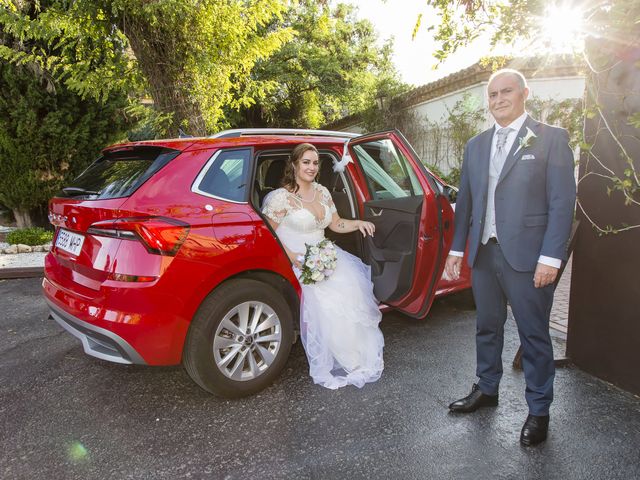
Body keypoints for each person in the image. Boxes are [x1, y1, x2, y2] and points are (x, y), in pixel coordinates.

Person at [444, 69, 576, 446]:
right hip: (485, 253)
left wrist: (551, 257)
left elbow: (562, 202)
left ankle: (538, 410)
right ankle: (487, 389)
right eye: (492, 94)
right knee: (487, 325)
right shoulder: (476, 145)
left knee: (534, 334)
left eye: (506, 92)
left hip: (529, 256)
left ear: (524, 94)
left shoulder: (551, 139)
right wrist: (457, 249)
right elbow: (466, 202)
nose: (498, 99)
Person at [262, 143, 384, 389]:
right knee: (324, 298)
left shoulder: (323, 192)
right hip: (297, 258)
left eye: (315, 163)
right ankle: (339, 355)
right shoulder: (280, 198)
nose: (311, 167)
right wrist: (293, 257)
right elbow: (269, 237)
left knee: (351, 288)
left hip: (325, 254)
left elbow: (336, 224)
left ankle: (356, 356)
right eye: (306, 162)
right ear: (294, 164)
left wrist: (358, 223)